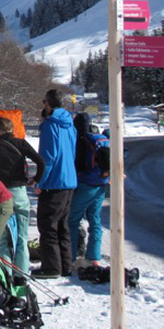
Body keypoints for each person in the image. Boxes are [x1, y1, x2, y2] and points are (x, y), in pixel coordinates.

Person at [0, 117, 45, 278]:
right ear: (12, 129)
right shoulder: (21, 143)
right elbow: (40, 162)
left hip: (2, 193)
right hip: (20, 192)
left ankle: (6, 274)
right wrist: (36, 179)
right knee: (22, 237)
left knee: (3, 238)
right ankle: (22, 275)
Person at [33, 89, 77, 279]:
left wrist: (40, 181)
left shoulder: (51, 125)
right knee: (62, 225)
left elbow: (48, 157)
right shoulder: (69, 124)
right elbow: (73, 150)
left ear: (48, 103)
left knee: (48, 224)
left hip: (54, 181)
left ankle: (51, 267)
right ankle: (65, 264)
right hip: (69, 179)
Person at [68, 113, 109, 267]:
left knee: (73, 219)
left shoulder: (81, 140)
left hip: (86, 184)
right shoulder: (98, 139)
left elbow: (78, 163)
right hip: (100, 185)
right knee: (95, 220)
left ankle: (70, 256)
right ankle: (94, 256)